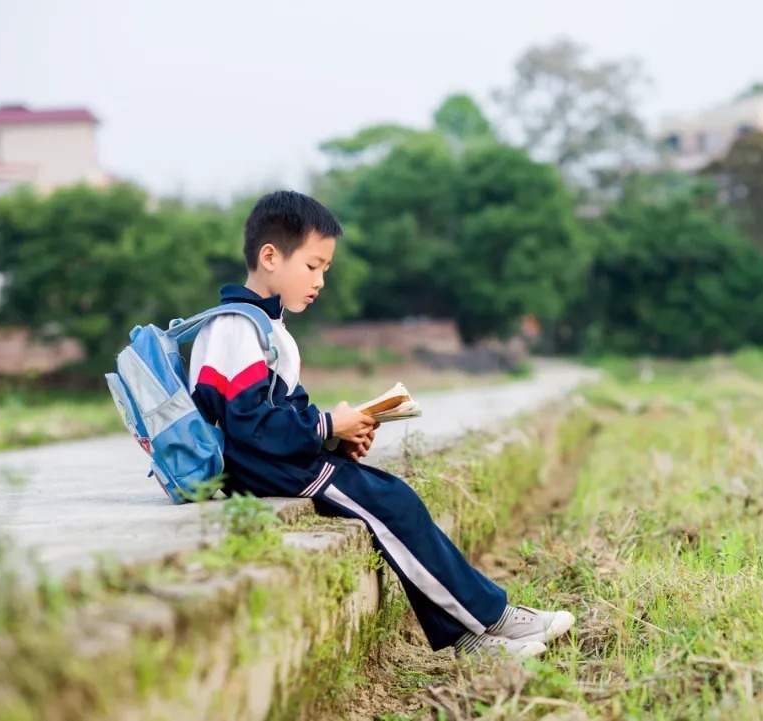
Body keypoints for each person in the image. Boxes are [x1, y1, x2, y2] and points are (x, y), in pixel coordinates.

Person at [188, 189, 573, 660]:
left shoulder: (266, 326)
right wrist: (327, 425)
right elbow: (249, 424)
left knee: (397, 500)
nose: (320, 281)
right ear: (270, 257)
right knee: (391, 506)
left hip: (279, 460)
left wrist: (339, 436)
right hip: (263, 468)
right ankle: (486, 623)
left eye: (325, 270)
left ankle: (474, 630)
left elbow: (284, 409)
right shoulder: (234, 327)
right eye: (313, 266)